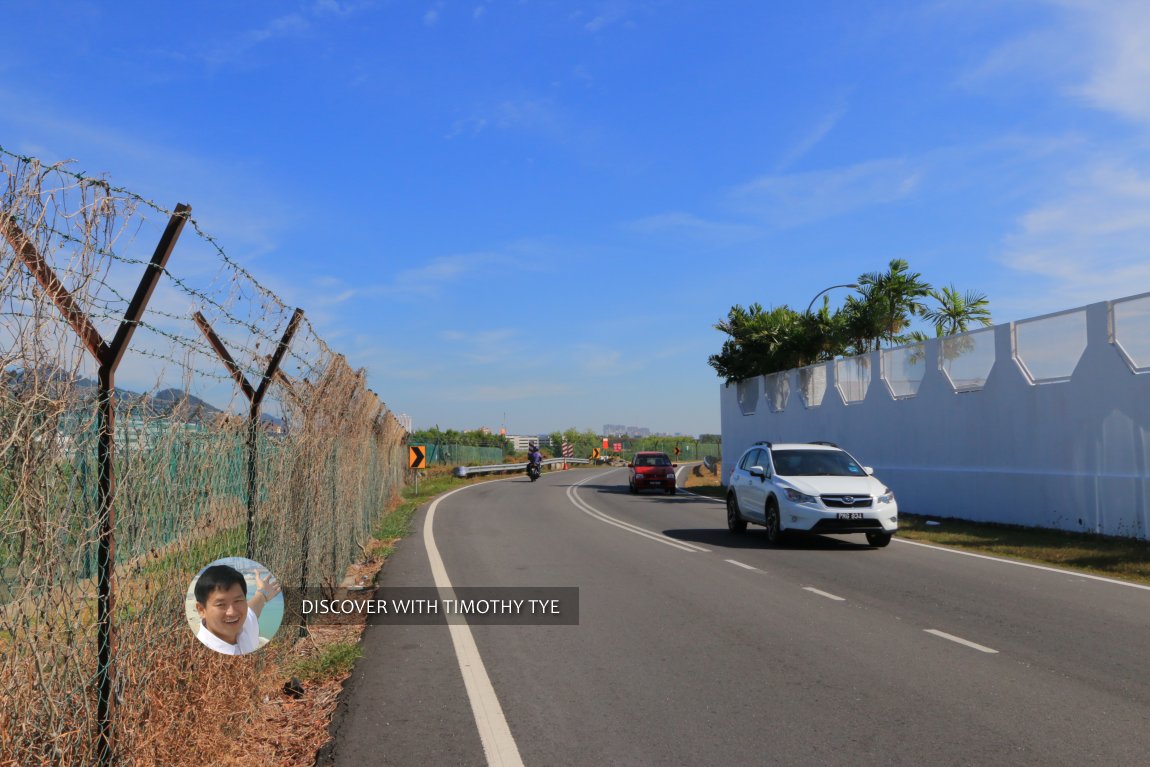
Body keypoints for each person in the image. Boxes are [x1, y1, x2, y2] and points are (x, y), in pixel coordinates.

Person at [193, 563, 281, 656]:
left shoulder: (245, 624)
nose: (232, 612)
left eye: (238, 600)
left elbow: (253, 609)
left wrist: (262, 593)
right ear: (201, 610)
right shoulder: (201, 655)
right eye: (221, 604)